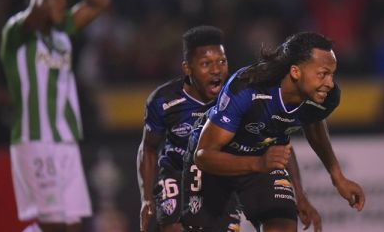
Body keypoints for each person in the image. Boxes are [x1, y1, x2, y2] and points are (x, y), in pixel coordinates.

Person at [137, 26, 321, 232]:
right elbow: (149, 148)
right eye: (206, 64)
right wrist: (146, 198)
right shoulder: (163, 101)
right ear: (187, 68)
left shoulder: (240, 94)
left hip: (223, 171)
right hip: (177, 171)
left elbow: (278, 142)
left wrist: (299, 193)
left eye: (222, 62)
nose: (216, 70)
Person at [189, 32, 365, 232]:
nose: (330, 83)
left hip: (261, 162)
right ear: (295, 72)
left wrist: (336, 178)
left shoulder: (323, 98)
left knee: (283, 227)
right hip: (215, 166)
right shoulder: (247, 89)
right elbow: (203, 156)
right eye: (323, 74)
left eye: (332, 74)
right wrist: (259, 163)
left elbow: (314, 124)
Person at [0, 0, 110, 232]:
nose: (63, 2)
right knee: (54, 225)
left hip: (66, 139)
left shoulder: (62, 34)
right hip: (35, 139)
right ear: (39, 1)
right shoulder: (16, 33)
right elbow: (35, 11)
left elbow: (102, 2)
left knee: (73, 226)